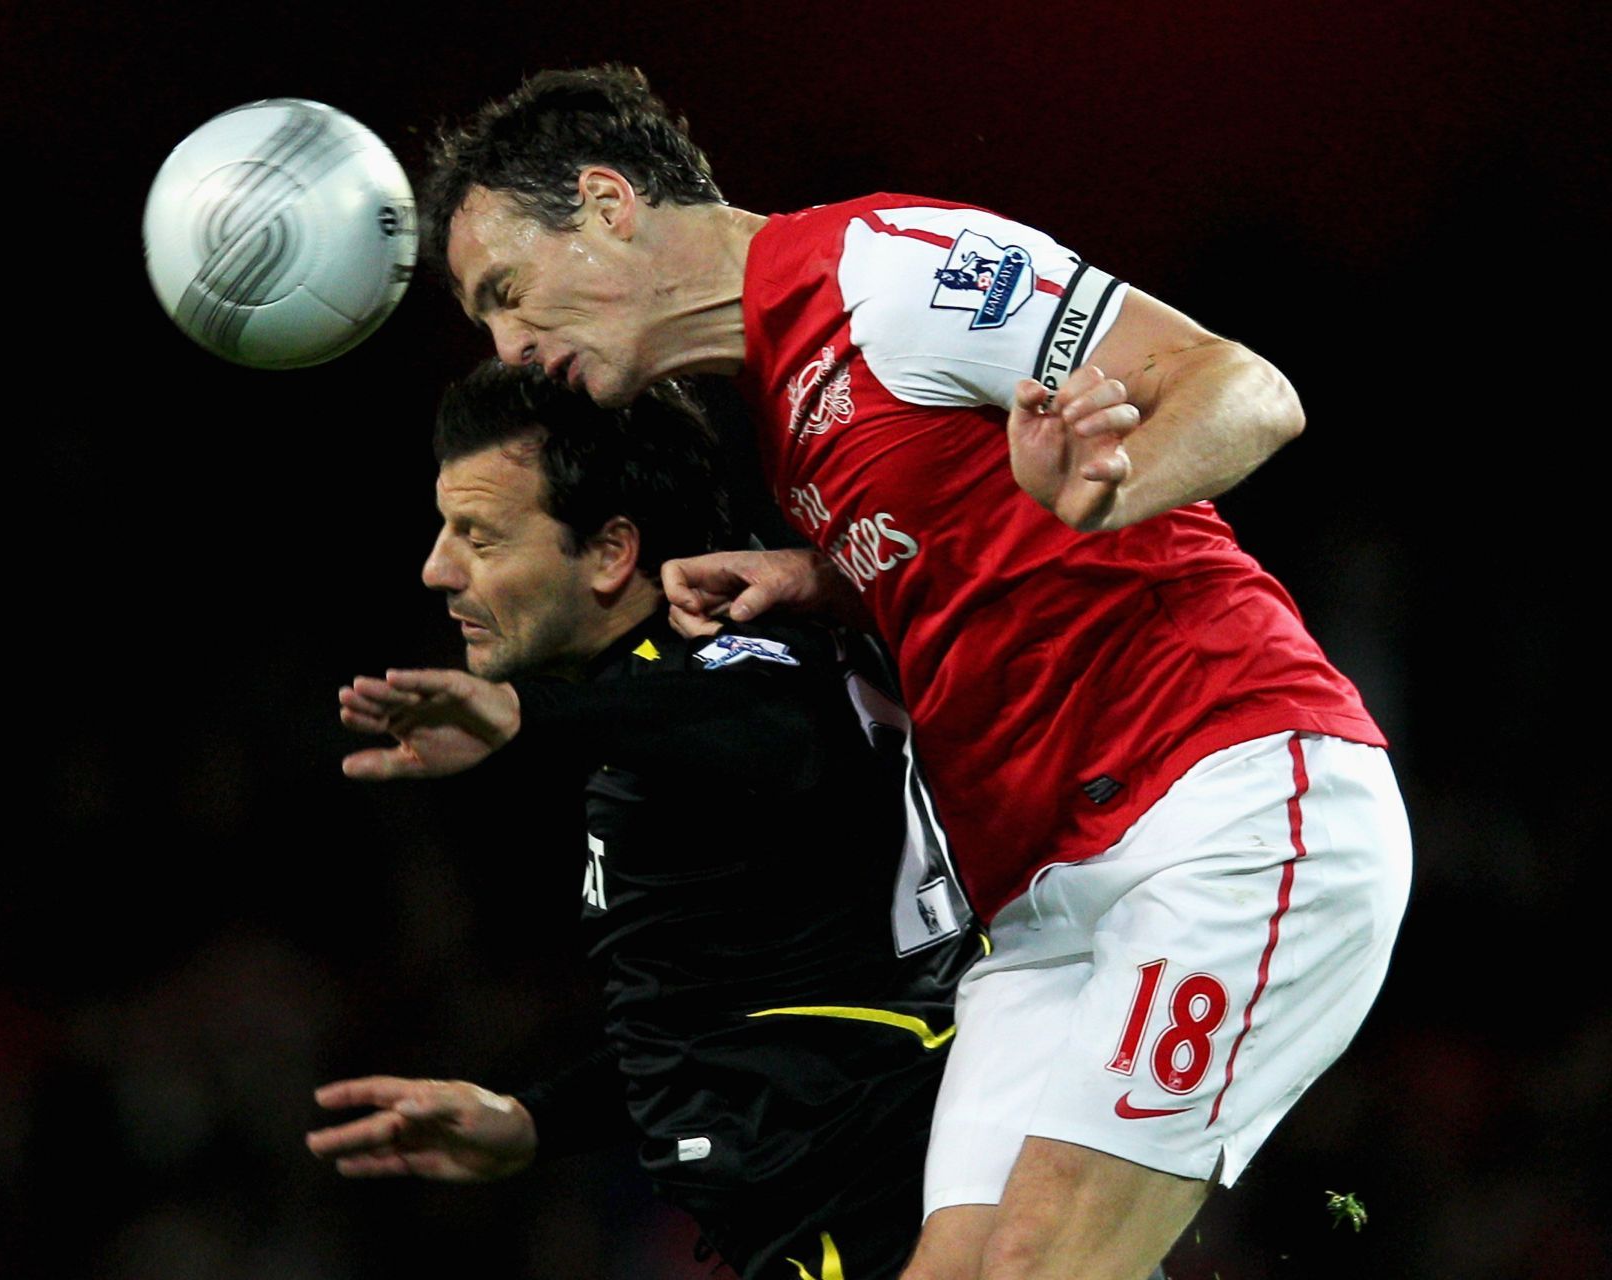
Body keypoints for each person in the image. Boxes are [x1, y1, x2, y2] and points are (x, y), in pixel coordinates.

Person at [416, 65, 1413, 1280]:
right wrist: (820, 574)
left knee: (1043, 1263)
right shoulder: (781, 411)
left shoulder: (889, 273)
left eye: (507, 295)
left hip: (1224, 795)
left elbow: (1245, 390)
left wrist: (1108, 487)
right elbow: (966, 545)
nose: (511, 352)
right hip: (1042, 904)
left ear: (610, 203)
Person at [309, 361, 982, 1279]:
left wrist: (525, 718)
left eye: (479, 536)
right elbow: (714, 1021)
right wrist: (537, 1119)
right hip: (850, 1204)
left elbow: (774, 730)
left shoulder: (733, 665)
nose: (437, 568)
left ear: (609, 552)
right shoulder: (677, 699)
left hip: (877, 1215)